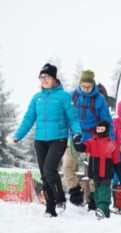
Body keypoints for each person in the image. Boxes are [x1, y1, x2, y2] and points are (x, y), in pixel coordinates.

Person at [13, 63, 82, 217]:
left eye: (47, 77)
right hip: (40, 141)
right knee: (44, 175)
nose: (43, 80)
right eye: (41, 77)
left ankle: (60, 199)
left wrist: (77, 133)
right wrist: (18, 135)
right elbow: (28, 118)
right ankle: (49, 209)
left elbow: (73, 118)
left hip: (58, 139)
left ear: (54, 78)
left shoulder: (64, 96)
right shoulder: (37, 97)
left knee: (49, 170)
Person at [62, 70, 114, 209]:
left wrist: (112, 140)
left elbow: (107, 121)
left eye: (88, 86)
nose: (85, 89)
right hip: (75, 136)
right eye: (83, 86)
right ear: (80, 84)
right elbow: (63, 114)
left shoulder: (99, 99)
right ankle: (75, 191)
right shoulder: (73, 96)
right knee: (67, 166)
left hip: (93, 139)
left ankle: (93, 197)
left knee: (94, 170)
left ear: (93, 85)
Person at [73, 120, 121, 220]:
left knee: (104, 191)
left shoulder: (112, 145)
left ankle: (101, 209)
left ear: (107, 130)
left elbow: (117, 163)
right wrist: (77, 142)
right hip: (95, 173)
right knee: (97, 193)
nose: (100, 131)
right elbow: (81, 148)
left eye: (102, 129)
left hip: (106, 173)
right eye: (98, 129)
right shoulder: (92, 142)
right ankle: (103, 213)